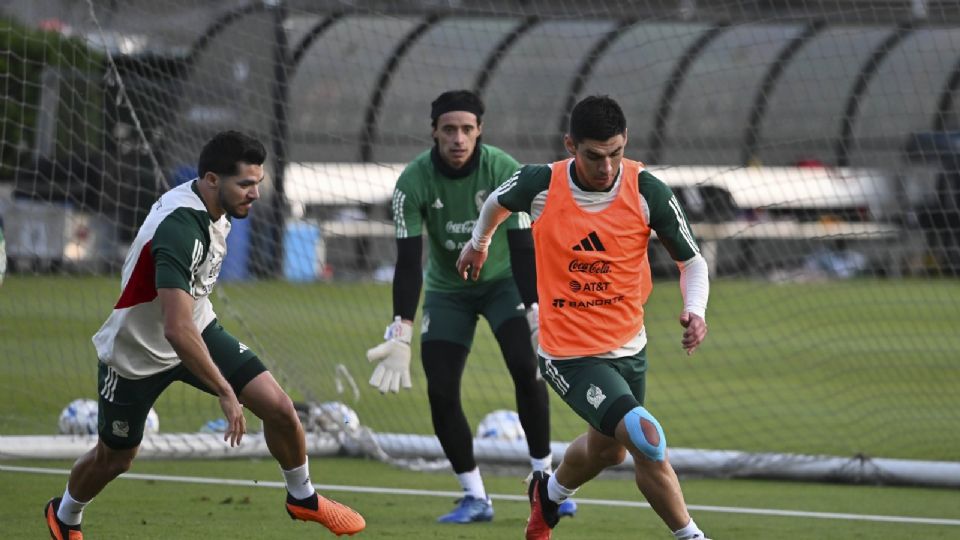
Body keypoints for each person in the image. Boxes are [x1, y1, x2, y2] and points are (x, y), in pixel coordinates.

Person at [44, 131, 365, 539]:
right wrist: (225, 391)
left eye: (257, 183)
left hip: (199, 328)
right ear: (212, 179)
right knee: (116, 457)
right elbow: (175, 329)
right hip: (137, 353)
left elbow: (187, 322)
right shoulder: (182, 228)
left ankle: (302, 497)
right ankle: (65, 513)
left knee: (280, 409)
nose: (254, 194)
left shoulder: (218, 207)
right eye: (245, 185)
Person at [456, 95, 712, 540]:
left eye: (615, 153)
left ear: (625, 143)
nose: (607, 167)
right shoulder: (541, 184)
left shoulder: (647, 190)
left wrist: (696, 309)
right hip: (567, 355)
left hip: (630, 348)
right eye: (594, 156)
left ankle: (548, 496)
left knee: (609, 451)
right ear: (571, 145)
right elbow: (496, 201)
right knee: (646, 438)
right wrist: (479, 243)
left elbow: (693, 262)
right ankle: (692, 537)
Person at [365, 90, 575, 524]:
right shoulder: (411, 182)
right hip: (448, 290)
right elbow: (408, 262)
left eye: (466, 129)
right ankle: (475, 497)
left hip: (503, 283)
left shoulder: (503, 169)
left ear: (480, 130)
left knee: (527, 369)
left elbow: (521, 246)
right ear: (434, 133)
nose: (458, 138)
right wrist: (401, 327)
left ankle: (545, 485)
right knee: (440, 390)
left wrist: (535, 310)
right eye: (449, 130)